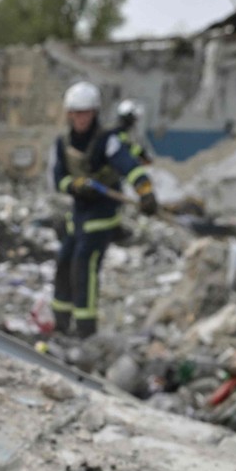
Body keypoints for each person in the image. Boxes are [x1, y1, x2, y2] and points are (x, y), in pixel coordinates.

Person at [49, 81, 156, 338]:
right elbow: (59, 180)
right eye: (75, 113)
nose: (80, 118)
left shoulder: (107, 141)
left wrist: (146, 193)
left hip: (102, 216)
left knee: (84, 264)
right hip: (78, 214)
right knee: (64, 262)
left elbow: (130, 167)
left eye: (84, 113)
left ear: (94, 113)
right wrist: (76, 186)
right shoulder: (63, 143)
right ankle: (60, 322)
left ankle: (86, 327)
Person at [112, 99, 153, 163]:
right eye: (133, 118)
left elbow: (130, 146)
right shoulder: (120, 132)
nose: (134, 121)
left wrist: (141, 153)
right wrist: (141, 154)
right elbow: (125, 149)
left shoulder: (126, 131)